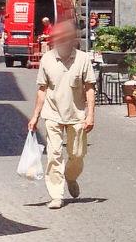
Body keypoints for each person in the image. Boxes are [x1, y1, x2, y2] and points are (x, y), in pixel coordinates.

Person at [27, 17, 97, 210]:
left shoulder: (83, 59)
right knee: (54, 154)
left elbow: (90, 88)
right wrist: (35, 116)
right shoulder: (47, 59)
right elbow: (42, 90)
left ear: (73, 39)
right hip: (53, 114)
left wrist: (91, 115)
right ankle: (56, 195)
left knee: (77, 154)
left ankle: (71, 176)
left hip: (77, 114)